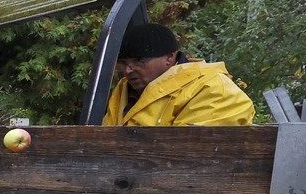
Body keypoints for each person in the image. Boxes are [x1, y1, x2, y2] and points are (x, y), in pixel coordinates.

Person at [102, 23, 255, 126]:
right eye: (123, 63)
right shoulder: (124, 90)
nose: (128, 70)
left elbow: (185, 156)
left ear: (170, 57)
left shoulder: (212, 89)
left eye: (139, 60)